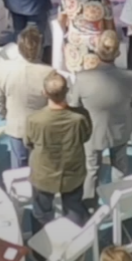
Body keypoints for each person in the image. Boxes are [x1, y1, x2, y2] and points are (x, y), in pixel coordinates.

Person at [71, 31, 132, 201]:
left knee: (91, 169)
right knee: (120, 168)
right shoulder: (129, 77)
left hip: (92, 133)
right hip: (120, 130)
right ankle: (120, 204)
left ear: (97, 50)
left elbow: (73, 104)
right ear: (118, 53)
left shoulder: (82, 78)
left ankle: (89, 206)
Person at [26, 72, 93, 222]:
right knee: (74, 209)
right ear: (67, 90)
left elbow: (28, 142)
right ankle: (76, 242)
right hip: (73, 173)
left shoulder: (34, 119)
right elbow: (86, 137)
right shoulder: (81, 116)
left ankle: (40, 242)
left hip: (43, 174)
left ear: (44, 93)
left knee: (41, 213)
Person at [0, 25, 51, 167]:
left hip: (16, 126)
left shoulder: (3, 69)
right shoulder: (50, 73)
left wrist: (3, 115)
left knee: (19, 169)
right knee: (41, 167)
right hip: (41, 130)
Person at [60, 0, 115, 73]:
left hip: (73, 53)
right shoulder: (104, 3)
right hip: (96, 54)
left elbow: (61, 23)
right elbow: (110, 30)